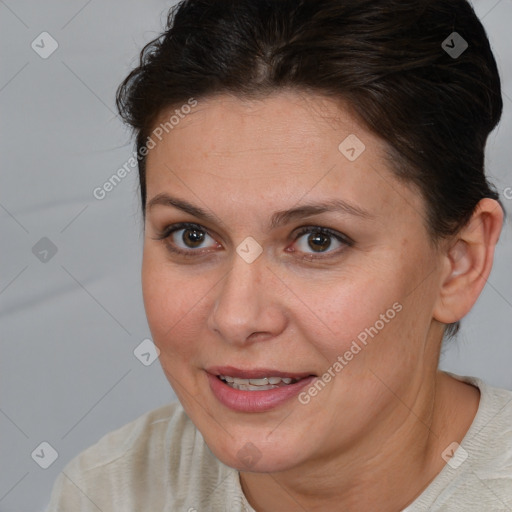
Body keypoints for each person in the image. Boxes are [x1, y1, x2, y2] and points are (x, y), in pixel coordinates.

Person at [46, 0, 512, 510]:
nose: (236, 317)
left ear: (458, 264)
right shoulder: (109, 493)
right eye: (192, 235)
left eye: (318, 240)